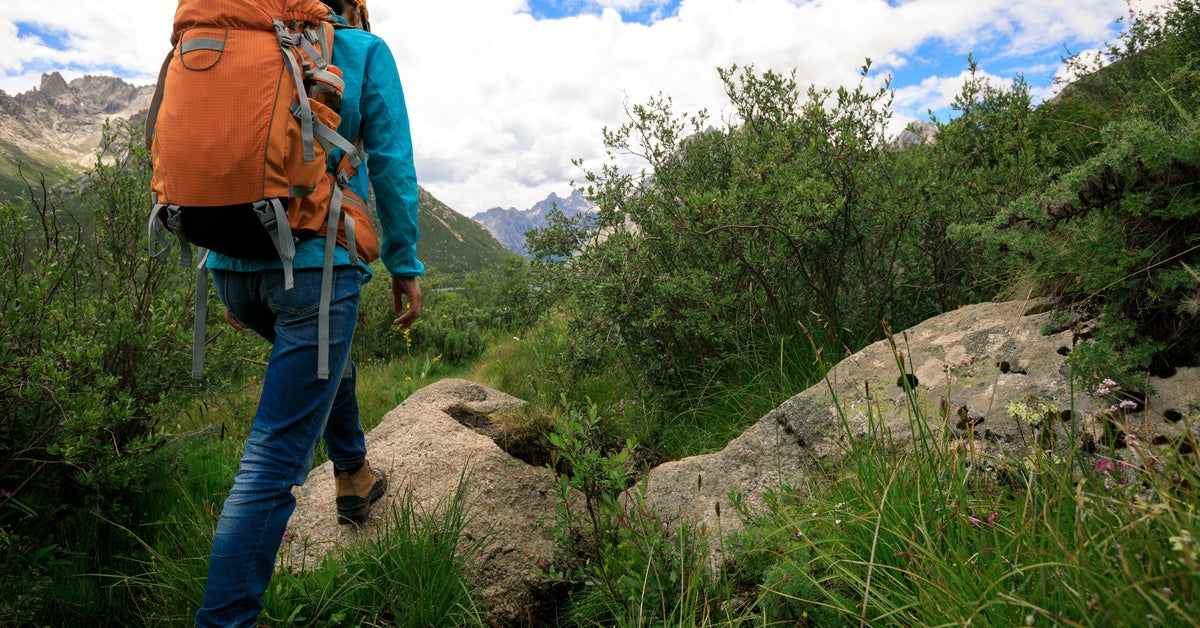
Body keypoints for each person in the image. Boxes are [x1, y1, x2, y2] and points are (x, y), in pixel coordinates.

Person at [193, 0, 422, 625]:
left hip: (232, 264)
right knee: (271, 457)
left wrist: (228, 269)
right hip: (315, 269)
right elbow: (393, 165)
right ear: (352, 7)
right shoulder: (363, 51)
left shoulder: (244, 37)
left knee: (326, 356)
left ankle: (352, 473)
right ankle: (224, 619)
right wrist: (405, 265)